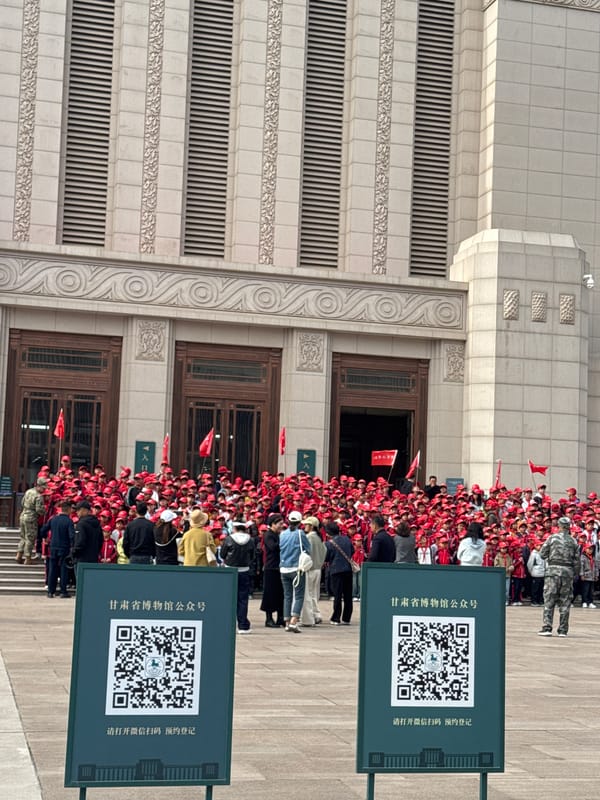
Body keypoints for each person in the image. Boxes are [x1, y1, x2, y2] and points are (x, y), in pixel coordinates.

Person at [538, 516, 580, 637]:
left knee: (549, 600)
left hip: (553, 572)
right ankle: (562, 630)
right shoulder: (573, 541)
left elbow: (542, 554)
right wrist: (575, 574)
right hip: (567, 572)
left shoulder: (552, 538)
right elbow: (577, 561)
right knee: (565, 602)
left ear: (559, 526)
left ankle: (547, 627)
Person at [278, 510, 311, 633]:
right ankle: (293, 621)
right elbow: (308, 549)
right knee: (298, 595)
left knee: (287, 596)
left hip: (283, 567)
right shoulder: (300, 533)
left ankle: (286, 622)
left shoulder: (282, 534)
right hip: (296, 568)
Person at [221, 520, 255, 633]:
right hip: (244, 571)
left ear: (234, 528)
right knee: (242, 599)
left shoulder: (229, 539)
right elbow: (253, 556)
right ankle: (242, 625)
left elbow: (222, 555)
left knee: (228, 598)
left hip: (229, 571)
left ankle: (226, 623)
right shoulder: (250, 540)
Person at [324, 521, 353, 625]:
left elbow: (326, 558)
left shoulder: (329, 544)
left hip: (336, 571)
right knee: (348, 595)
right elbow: (352, 550)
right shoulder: (347, 539)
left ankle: (336, 618)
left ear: (328, 533)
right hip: (348, 570)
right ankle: (347, 618)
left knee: (338, 595)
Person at [300, 515, 327, 626]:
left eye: (306, 524)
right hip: (318, 569)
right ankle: (316, 614)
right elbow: (324, 551)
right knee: (314, 593)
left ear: (311, 526)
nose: (304, 526)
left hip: (310, 569)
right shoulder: (319, 538)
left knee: (309, 594)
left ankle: (312, 615)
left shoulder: (309, 537)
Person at [45, 501, 75, 597]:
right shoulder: (69, 521)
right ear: (69, 509)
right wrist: (72, 546)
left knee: (52, 569)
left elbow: (43, 530)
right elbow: (71, 536)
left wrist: (46, 538)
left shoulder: (53, 519)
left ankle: (50, 591)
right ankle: (63, 591)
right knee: (63, 570)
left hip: (53, 547)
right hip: (64, 548)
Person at [260, 513, 285, 627]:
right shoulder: (268, 535)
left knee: (281, 593)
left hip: (279, 567)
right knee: (269, 593)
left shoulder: (278, 535)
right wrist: (284, 541)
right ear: (273, 524)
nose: (282, 526)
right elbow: (273, 547)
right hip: (271, 568)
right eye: (279, 524)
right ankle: (269, 619)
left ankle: (281, 617)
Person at [16, 477, 47, 565]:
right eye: (43, 488)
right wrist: (45, 510)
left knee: (23, 537)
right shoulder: (38, 496)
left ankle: (19, 555)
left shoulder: (28, 491)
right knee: (30, 538)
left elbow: (22, 503)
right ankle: (28, 558)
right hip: (31, 518)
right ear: (39, 486)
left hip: (23, 515)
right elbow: (39, 510)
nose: (44, 490)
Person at [72, 500, 103, 571]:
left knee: (80, 581)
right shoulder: (97, 523)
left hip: (81, 559)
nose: (76, 512)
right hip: (93, 559)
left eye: (78, 510)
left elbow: (80, 542)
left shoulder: (81, 524)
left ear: (84, 510)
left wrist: (73, 553)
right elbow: (100, 541)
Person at [527, 540, 546, 606]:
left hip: (543, 573)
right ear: (535, 546)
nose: (540, 547)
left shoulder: (543, 553)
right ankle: (534, 601)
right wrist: (531, 572)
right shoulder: (533, 554)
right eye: (539, 545)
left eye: (541, 545)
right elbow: (530, 564)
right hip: (536, 573)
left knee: (541, 589)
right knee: (535, 588)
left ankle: (540, 600)